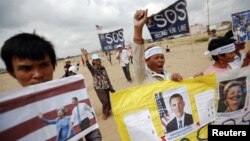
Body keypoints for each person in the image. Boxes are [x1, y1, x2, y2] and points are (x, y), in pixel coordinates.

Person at [0, 33, 102, 141]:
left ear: (53, 66)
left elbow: (90, 131)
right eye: (26, 68)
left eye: (44, 65)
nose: (37, 74)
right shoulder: (7, 118)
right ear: (12, 72)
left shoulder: (68, 93)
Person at [132, 9, 183, 84]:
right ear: (146, 61)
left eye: (162, 57)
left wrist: (176, 78)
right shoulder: (142, 76)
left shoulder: (168, 75)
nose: (160, 60)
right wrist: (138, 28)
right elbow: (138, 57)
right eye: (156, 58)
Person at [82, 49, 115, 120]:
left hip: (106, 86)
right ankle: (104, 113)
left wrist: (110, 86)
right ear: (93, 61)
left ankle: (108, 111)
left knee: (108, 100)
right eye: (96, 60)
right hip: (99, 87)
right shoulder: (93, 69)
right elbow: (88, 65)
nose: (98, 61)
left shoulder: (103, 68)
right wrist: (85, 55)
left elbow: (107, 77)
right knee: (105, 100)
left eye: (98, 60)